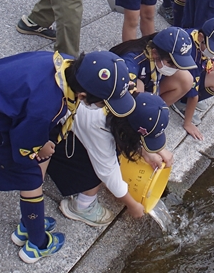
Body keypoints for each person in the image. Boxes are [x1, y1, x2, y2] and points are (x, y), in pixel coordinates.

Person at [0, 50, 136, 263]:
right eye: (102, 103)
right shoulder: (47, 105)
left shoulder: (63, 63)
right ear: (82, 96)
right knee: (30, 177)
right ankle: (36, 243)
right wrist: (39, 147)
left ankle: (29, 222)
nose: (103, 108)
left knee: (36, 166)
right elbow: (25, 141)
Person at [48, 92, 172, 225]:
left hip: (54, 105)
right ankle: (82, 207)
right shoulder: (99, 127)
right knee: (95, 169)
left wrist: (147, 151)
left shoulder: (116, 94)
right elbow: (108, 173)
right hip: (46, 131)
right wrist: (132, 205)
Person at [172, 17, 214, 140]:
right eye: (212, 48)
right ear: (200, 37)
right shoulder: (191, 53)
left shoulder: (198, 39)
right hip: (177, 78)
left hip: (192, 69)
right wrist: (188, 123)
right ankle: (181, 101)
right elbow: (193, 89)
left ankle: (190, 100)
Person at [111, 26, 196, 106]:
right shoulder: (132, 61)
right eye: (172, 64)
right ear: (155, 53)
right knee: (138, 86)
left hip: (149, 83)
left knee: (186, 79)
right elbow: (120, 89)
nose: (175, 69)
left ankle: (157, 109)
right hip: (118, 93)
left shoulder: (155, 52)